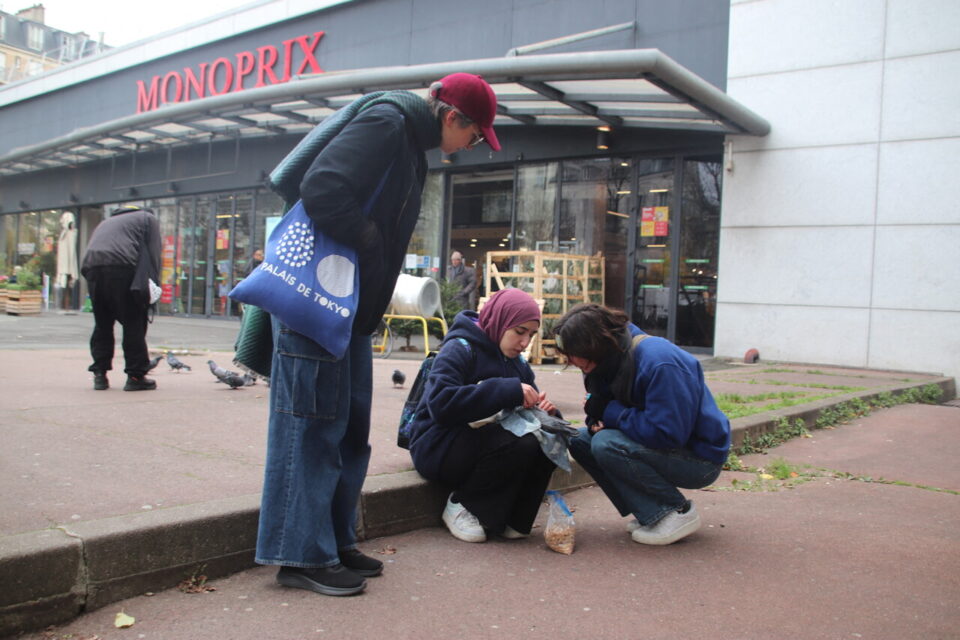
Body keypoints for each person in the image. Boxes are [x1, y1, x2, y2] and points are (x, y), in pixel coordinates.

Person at [256, 72, 501, 597]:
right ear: (452, 116)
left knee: (346, 431)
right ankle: (301, 555)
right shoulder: (388, 124)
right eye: (476, 135)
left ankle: (332, 542)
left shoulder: (409, 140)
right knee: (312, 428)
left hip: (347, 310)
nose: (471, 146)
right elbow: (322, 188)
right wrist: (369, 244)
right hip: (319, 303)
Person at [552, 304, 730, 546]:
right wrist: (596, 419)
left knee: (607, 444)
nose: (571, 361)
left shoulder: (660, 361)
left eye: (575, 353)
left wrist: (610, 414)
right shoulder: (605, 361)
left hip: (700, 459)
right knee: (579, 440)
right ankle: (650, 513)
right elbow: (603, 407)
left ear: (596, 344)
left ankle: (675, 512)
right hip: (662, 445)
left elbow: (667, 434)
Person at [406, 288, 558, 544]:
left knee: (549, 438)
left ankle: (515, 518)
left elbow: (526, 408)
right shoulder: (460, 348)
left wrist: (545, 410)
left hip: (483, 442)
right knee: (519, 441)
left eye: (531, 335)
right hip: (438, 445)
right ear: (500, 321)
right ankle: (462, 505)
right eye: (519, 332)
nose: (524, 343)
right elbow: (441, 404)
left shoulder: (517, 362)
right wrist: (506, 389)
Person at [80, 205, 161, 392]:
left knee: (102, 322)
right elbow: (153, 253)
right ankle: (135, 376)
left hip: (92, 267)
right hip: (122, 267)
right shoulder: (147, 218)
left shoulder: (106, 222)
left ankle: (99, 375)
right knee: (134, 321)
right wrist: (152, 287)